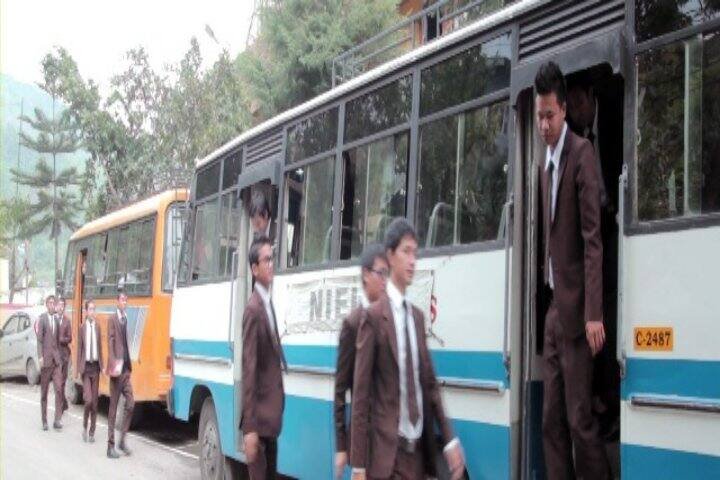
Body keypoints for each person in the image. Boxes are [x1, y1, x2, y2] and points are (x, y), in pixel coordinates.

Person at [535, 61, 609, 479]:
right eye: (539, 117)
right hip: (552, 312)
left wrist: (594, 312)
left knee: (580, 420)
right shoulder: (543, 165)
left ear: (563, 110)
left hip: (579, 313)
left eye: (549, 115)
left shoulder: (582, 154)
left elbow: (592, 240)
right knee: (550, 419)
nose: (543, 125)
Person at [350, 218, 465, 480]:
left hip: (417, 460)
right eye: (406, 251)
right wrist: (358, 466)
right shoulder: (373, 317)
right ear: (390, 256)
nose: (413, 260)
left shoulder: (417, 318)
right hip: (387, 462)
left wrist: (449, 440)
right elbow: (361, 397)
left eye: (415, 253)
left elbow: (430, 386)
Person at [567, 72, 622, 440]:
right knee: (596, 309)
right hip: (597, 230)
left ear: (592, 96)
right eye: (571, 108)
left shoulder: (615, 116)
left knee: (610, 310)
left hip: (618, 224)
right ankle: (603, 400)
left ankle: (612, 399)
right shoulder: (575, 138)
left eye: (579, 104)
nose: (576, 113)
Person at [334, 244, 388, 479]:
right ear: (366, 275)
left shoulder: (389, 320)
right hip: (364, 445)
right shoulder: (353, 324)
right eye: (381, 273)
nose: (385, 281)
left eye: (387, 273)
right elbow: (340, 389)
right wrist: (341, 446)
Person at [241, 236, 287, 480]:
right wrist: (249, 429)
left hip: (269, 421)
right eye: (266, 260)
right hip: (258, 425)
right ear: (254, 268)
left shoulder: (267, 302)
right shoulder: (253, 309)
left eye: (272, 259)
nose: (271, 264)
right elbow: (249, 370)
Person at [106, 291, 135, 459]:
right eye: (123, 300)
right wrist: (113, 365)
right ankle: (110, 447)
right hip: (116, 370)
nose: (125, 302)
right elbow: (110, 341)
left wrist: (127, 366)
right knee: (113, 408)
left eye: (126, 300)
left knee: (130, 403)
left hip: (125, 370)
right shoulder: (112, 319)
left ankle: (122, 440)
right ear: (117, 301)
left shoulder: (125, 318)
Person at [77, 299, 103, 443]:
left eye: (94, 309)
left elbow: (100, 348)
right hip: (86, 369)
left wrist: (102, 366)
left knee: (95, 403)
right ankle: (84, 426)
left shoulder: (98, 327)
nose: (92, 312)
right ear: (86, 311)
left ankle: (92, 432)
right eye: (90, 309)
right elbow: (79, 349)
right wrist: (77, 369)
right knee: (88, 401)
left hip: (96, 368)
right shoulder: (82, 328)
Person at [37, 294, 63, 431]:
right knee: (44, 392)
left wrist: (59, 358)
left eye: (54, 303)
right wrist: (40, 356)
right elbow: (40, 340)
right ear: (47, 305)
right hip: (46, 361)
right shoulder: (42, 319)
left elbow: (57, 341)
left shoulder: (57, 320)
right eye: (50, 303)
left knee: (59, 389)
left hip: (56, 362)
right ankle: (44, 420)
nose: (52, 305)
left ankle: (57, 420)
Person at [56, 296, 72, 415]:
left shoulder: (67, 321)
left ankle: (61, 405)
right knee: (58, 382)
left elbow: (70, 338)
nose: (61, 307)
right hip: (55, 356)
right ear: (56, 307)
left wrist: (62, 339)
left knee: (62, 382)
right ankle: (63, 404)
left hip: (65, 356)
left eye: (63, 305)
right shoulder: (53, 319)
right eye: (59, 305)